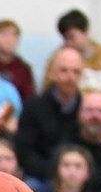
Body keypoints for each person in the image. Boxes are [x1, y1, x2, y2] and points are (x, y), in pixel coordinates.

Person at [16, 44, 83, 183]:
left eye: (76, 72)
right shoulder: (33, 107)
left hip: (81, 178)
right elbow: (25, 152)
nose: (70, 77)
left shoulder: (88, 109)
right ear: (52, 73)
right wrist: (56, 174)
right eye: (64, 70)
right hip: (42, 177)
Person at [55, 9, 101, 107]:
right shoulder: (59, 58)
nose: (68, 43)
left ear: (86, 32)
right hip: (71, 108)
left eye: (71, 37)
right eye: (65, 39)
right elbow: (50, 86)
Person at [0, 18, 37, 109]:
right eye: (3, 34)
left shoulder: (23, 69)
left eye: (13, 35)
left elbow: (29, 98)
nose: (8, 39)